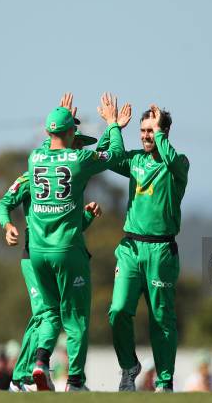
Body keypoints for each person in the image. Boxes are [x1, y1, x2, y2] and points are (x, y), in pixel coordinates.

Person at [27, 93, 128, 391]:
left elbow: (50, 144)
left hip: (36, 252)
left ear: (47, 132)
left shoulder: (34, 158)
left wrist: (62, 120)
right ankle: (74, 381)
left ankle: (41, 361)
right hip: (68, 250)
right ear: (72, 132)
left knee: (48, 312)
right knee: (75, 317)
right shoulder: (79, 159)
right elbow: (116, 156)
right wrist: (112, 125)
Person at [0, 116, 103, 392]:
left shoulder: (62, 169)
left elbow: (69, 224)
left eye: (81, 144)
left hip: (46, 254)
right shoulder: (33, 173)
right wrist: (7, 225)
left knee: (49, 315)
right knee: (47, 316)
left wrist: (87, 218)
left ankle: (29, 373)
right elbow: (5, 201)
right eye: (76, 141)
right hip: (34, 257)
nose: (79, 148)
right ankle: (22, 377)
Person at [99, 104, 190, 392]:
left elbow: (172, 158)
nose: (145, 136)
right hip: (130, 248)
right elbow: (105, 158)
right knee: (118, 310)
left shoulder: (178, 164)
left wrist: (160, 132)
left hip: (161, 252)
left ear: (163, 132)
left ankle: (164, 382)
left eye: (151, 131)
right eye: (142, 131)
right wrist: (114, 128)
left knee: (162, 320)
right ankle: (129, 367)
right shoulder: (135, 160)